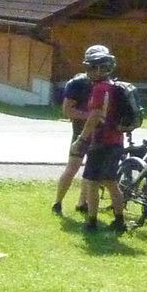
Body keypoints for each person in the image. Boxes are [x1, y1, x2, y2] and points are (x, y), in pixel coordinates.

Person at [73, 44, 127, 233]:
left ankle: (91, 222)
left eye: (89, 68)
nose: (87, 72)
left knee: (92, 182)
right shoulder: (114, 86)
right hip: (117, 141)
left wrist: (81, 139)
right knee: (111, 181)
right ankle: (120, 221)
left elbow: (94, 116)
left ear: (98, 69)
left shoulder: (99, 89)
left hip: (101, 142)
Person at [52, 66, 94, 216]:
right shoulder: (77, 83)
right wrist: (93, 117)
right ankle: (58, 202)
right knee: (72, 168)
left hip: (99, 135)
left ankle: (82, 202)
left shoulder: (105, 84)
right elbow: (68, 111)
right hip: (80, 133)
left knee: (91, 170)